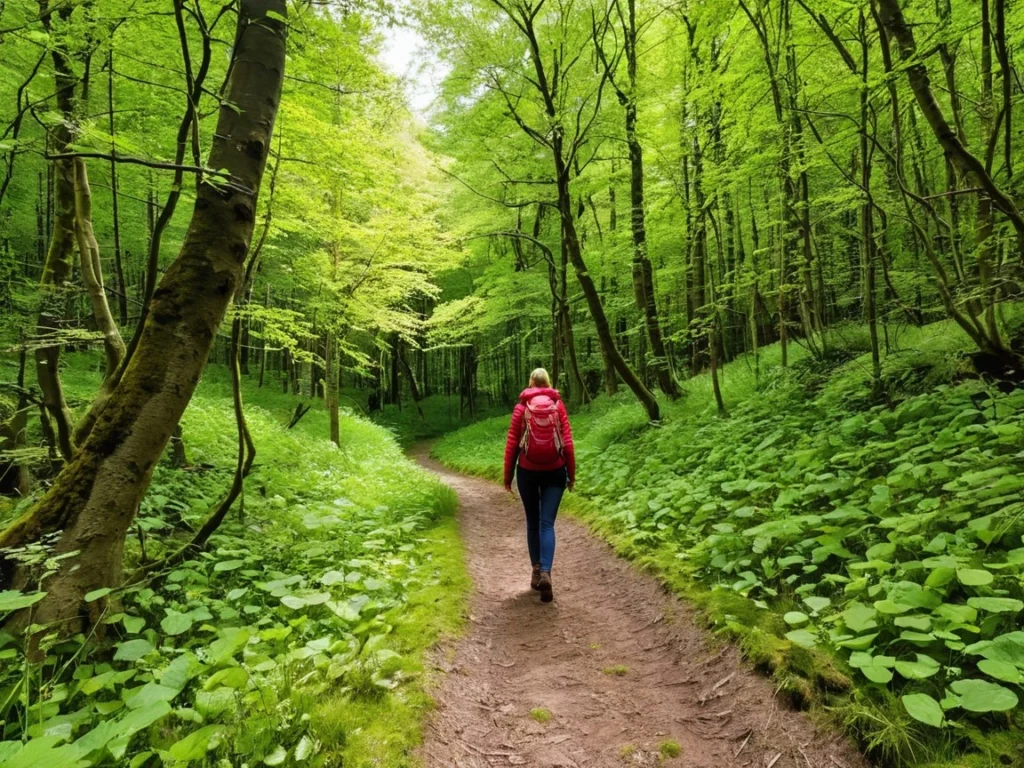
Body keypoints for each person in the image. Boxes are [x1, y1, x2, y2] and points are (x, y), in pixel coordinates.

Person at [503, 368, 575, 602]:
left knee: (532, 522)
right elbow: (567, 443)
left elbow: (512, 444)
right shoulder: (558, 406)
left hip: (527, 472)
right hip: (555, 471)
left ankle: (536, 571)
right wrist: (571, 474)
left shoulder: (521, 408)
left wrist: (507, 476)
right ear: (548, 383)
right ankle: (546, 571)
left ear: (530, 383)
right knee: (547, 523)